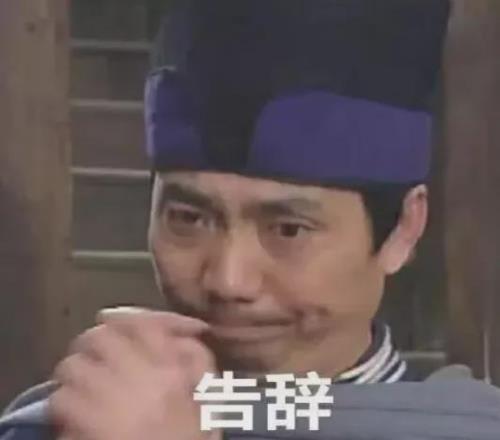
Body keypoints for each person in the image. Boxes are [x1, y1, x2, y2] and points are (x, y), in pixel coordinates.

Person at [2, 1, 500, 439]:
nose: (228, 281)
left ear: (403, 230)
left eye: (288, 229)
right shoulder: (66, 421)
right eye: (189, 218)